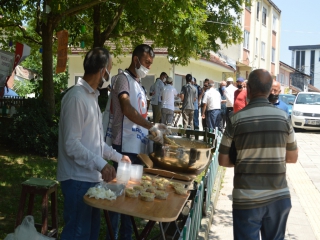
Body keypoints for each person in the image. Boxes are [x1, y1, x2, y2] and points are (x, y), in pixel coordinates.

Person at [57, 47, 131, 240]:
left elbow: (96, 143)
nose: (110, 74)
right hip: (76, 179)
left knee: (90, 234)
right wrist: (101, 164)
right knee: (77, 234)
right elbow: (71, 144)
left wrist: (118, 157)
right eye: (110, 69)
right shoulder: (76, 98)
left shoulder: (92, 98)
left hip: (91, 179)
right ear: (102, 70)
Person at [218, 69, 298, 240]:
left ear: (249, 90)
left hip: (247, 200)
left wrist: (247, 159)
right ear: (270, 91)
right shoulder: (284, 118)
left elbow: (223, 160)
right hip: (278, 197)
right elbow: (292, 157)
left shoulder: (235, 119)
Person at [106, 44, 170, 240]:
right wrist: (151, 126)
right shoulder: (122, 80)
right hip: (123, 147)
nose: (148, 67)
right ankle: (113, 236)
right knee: (119, 197)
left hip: (136, 148)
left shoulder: (139, 85)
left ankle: (126, 235)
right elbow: (126, 108)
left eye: (151, 63)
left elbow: (140, 114)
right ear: (135, 60)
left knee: (131, 195)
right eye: (146, 62)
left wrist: (153, 133)